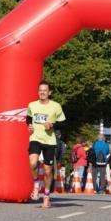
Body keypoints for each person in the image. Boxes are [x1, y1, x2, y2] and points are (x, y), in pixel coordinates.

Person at [26, 80, 66, 209]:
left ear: (49, 92)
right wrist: (29, 126)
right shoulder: (32, 105)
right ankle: (36, 184)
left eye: (44, 90)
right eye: (40, 90)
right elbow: (28, 118)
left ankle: (47, 196)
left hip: (49, 141)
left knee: (48, 171)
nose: (42, 92)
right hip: (35, 138)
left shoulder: (56, 106)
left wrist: (52, 125)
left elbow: (63, 123)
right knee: (32, 163)